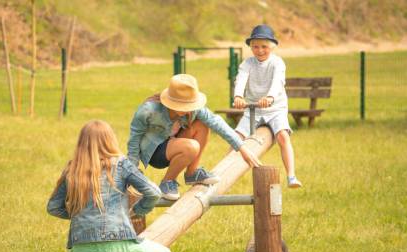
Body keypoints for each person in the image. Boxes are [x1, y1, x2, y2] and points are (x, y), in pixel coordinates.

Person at [47, 120, 172, 252]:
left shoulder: (72, 168)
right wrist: (140, 209)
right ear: (110, 140)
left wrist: (81, 215)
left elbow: (53, 207)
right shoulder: (121, 164)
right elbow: (153, 192)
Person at [128, 74, 261, 200]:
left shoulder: (193, 109)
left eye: (189, 105)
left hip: (176, 144)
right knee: (191, 147)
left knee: (202, 124)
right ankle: (167, 183)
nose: (187, 109)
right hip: (155, 152)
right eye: (183, 106)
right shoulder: (148, 110)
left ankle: (192, 173)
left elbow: (217, 123)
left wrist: (242, 148)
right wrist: (133, 172)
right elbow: (134, 139)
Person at [233, 24, 302, 188]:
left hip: (275, 109)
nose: (260, 50)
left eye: (264, 46)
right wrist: (238, 96)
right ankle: (222, 175)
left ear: (272, 46)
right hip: (253, 109)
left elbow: (277, 82)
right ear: (251, 47)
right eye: (255, 46)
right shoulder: (247, 63)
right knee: (235, 138)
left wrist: (270, 97)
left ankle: (291, 175)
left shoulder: (277, 63)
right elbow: (241, 79)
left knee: (283, 137)